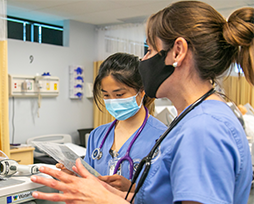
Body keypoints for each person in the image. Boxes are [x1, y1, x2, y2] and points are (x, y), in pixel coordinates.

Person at [30, 1, 254, 203]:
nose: (144, 60)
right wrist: (113, 191)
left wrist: (105, 200)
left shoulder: (203, 128)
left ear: (177, 51)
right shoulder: (193, 120)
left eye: (150, 49)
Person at [57, 53, 166, 192]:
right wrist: (74, 176)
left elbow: (168, 193)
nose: (113, 101)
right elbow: (89, 182)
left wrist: (133, 189)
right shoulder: (97, 136)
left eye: (119, 95)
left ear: (142, 90)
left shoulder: (162, 137)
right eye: (106, 95)